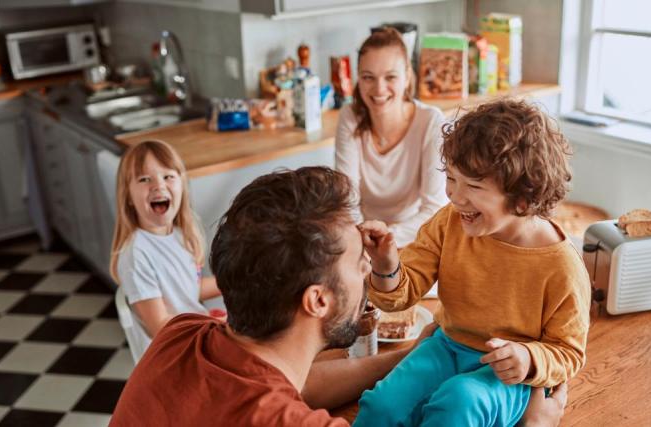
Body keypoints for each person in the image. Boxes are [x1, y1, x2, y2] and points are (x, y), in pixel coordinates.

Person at [110, 166, 569, 426]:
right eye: (357, 262)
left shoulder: (181, 335)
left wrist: (409, 356)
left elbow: (291, 383)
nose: (369, 266)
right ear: (318, 301)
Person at [356, 100, 591, 426]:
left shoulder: (562, 266)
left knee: (458, 402)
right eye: (451, 178)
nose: (455, 195)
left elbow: (568, 352)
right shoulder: (448, 223)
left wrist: (527, 357)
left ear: (523, 198)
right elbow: (400, 294)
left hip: (507, 376)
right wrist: (386, 264)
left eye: (474, 186)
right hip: (446, 347)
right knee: (382, 405)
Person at [335, 27, 448, 248]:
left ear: (407, 76)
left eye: (390, 77)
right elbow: (346, 201)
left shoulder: (430, 121)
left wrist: (384, 237)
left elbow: (434, 208)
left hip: (415, 239)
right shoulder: (349, 117)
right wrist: (366, 241)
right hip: (362, 240)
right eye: (368, 77)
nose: (379, 89)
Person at [110, 140, 221, 355]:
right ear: (128, 197)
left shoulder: (180, 236)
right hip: (173, 353)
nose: (158, 186)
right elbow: (160, 326)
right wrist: (210, 324)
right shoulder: (137, 254)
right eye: (144, 179)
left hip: (194, 338)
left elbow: (189, 289)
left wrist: (233, 281)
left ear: (182, 184)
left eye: (168, 176)